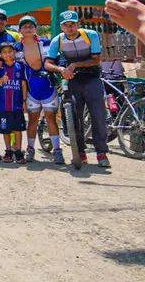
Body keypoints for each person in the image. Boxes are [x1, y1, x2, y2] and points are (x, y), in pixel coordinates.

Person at [45, 10, 111, 168]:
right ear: (61, 27)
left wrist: (74, 64)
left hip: (92, 78)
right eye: (66, 25)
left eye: (73, 24)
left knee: (98, 115)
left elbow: (96, 59)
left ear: (78, 24)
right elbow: (47, 63)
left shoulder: (90, 35)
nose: (70, 28)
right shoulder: (58, 40)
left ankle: (101, 153)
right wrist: (61, 69)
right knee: (74, 117)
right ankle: (80, 152)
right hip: (72, 80)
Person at [15, 16, 61, 163]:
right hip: (31, 91)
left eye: (31, 26)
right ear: (20, 30)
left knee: (51, 119)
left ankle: (57, 150)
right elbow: (5, 60)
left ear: (36, 28)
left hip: (48, 88)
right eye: (24, 26)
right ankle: (30, 149)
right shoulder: (16, 48)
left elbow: (59, 60)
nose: (28, 29)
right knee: (32, 120)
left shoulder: (46, 43)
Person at [0, 42, 28, 163]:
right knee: (5, 130)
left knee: (18, 129)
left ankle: (18, 151)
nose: (8, 54)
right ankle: (8, 151)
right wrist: (1, 80)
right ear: (0, 54)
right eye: (4, 52)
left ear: (15, 52)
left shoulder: (20, 66)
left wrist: (24, 101)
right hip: (3, 106)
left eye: (10, 51)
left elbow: (23, 84)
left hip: (17, 105)